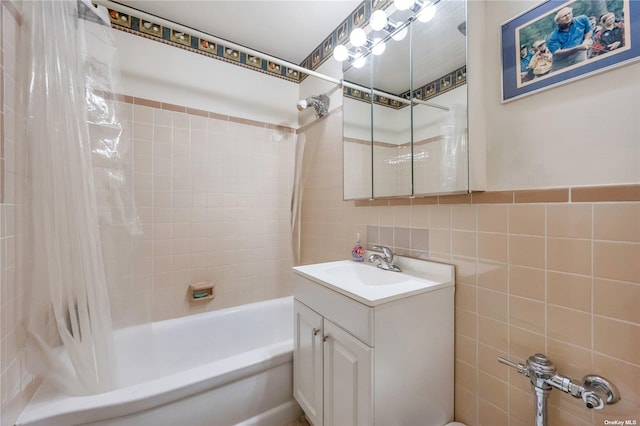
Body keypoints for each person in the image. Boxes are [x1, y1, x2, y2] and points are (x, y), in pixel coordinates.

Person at [546, 6, 593, 72]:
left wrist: (586, 40)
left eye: (569, 13)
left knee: (583, 72)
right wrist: (577, 48)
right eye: (564, 16)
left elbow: (588, 31)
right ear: (558, 21)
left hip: (579, 54)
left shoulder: (583, 19)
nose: (568, 16)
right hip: (561, 61)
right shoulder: (552, 37)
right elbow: (557, 52)